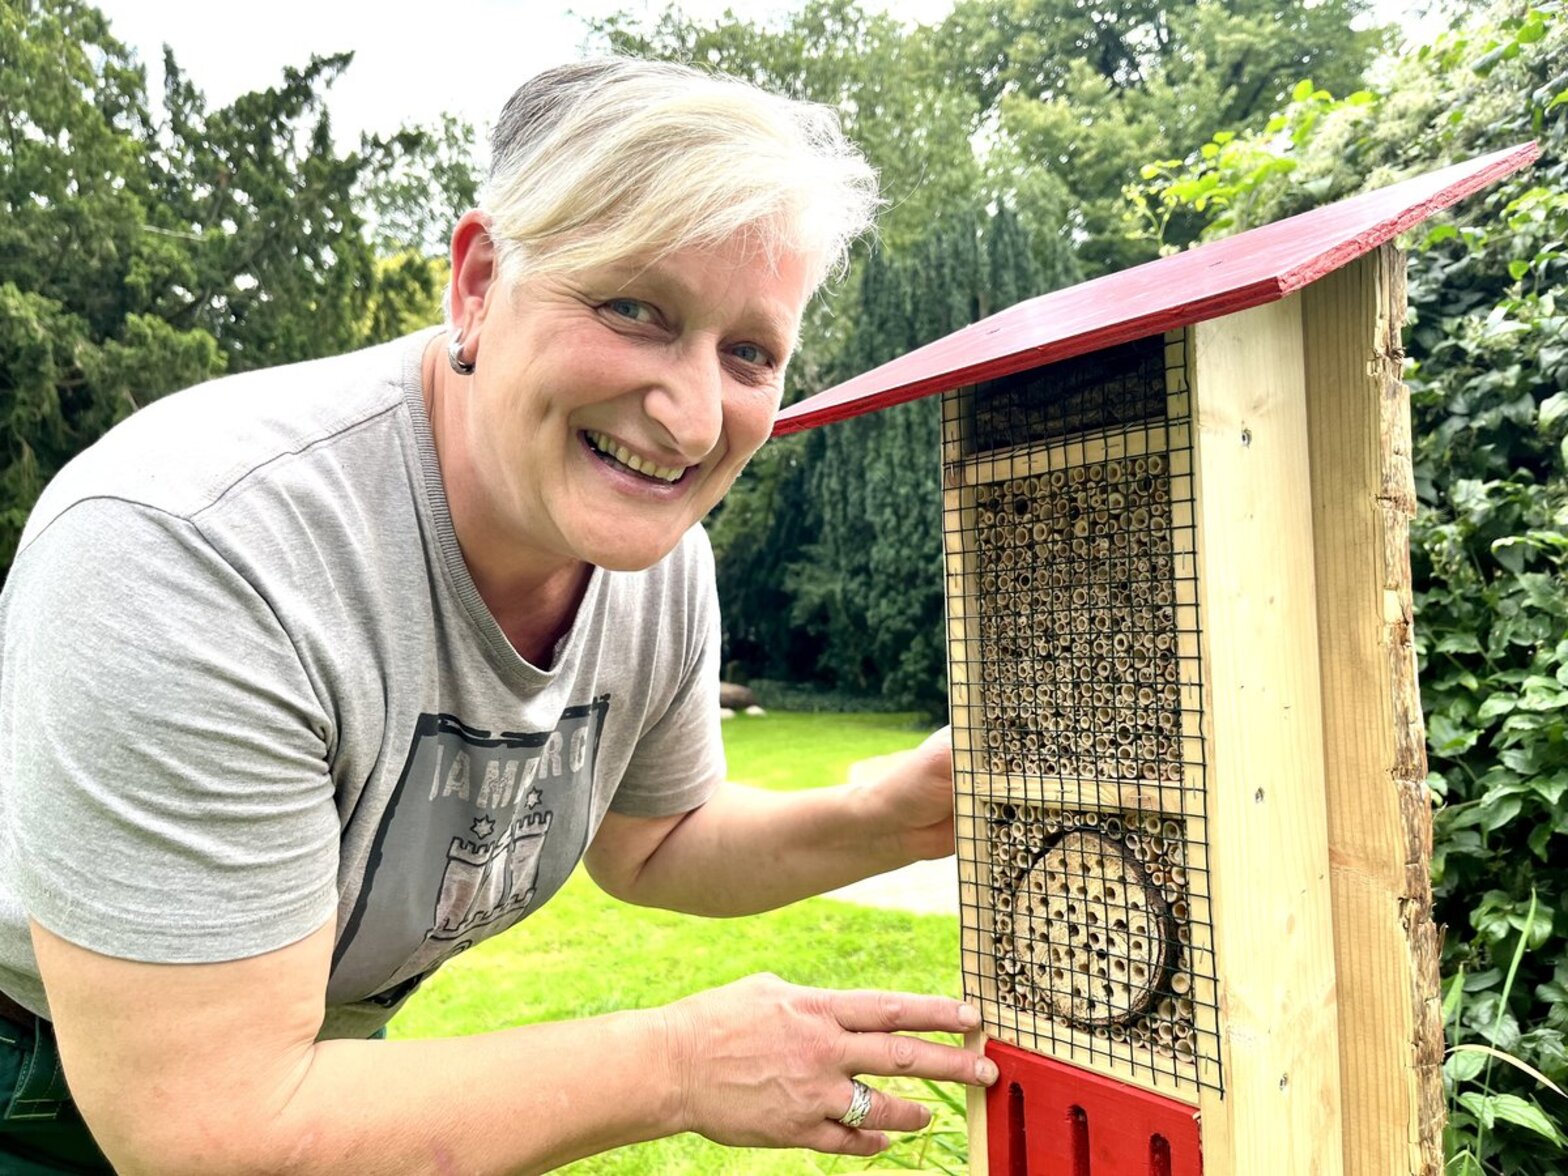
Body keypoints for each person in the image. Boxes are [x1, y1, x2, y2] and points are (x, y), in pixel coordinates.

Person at [0, 58, 997, 1173]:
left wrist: (888, 819)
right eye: (634, 308)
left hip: (310, 1066)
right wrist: (679, 1063)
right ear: (477, 284)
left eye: (749, 353)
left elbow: (653, 842)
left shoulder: (653, 562)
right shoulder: (195, 549)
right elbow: (210, 1131)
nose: (690, 417)